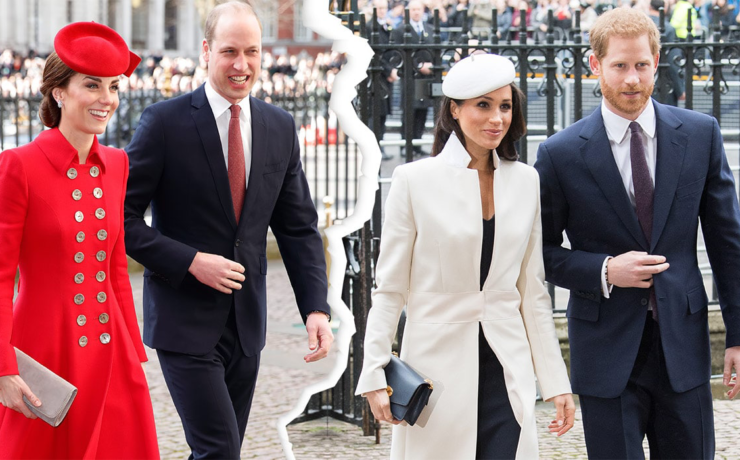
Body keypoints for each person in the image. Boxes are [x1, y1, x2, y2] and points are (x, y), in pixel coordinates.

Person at [123, 2, 333, 458]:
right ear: (206, 51)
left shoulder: (280, 126)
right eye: (230, 52)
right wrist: (190, 261)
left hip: (247, 325)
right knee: (219, 450)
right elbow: (120, 220)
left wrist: (315, 308)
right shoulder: (163, 123)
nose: (242, 65)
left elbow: (298, 229)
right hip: (183, 321)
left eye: (252, 51)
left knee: (221, 451)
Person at [534, 7, 740, 459]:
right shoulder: (559, 154)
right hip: (605, 352)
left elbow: (729, 244)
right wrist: (605, 270)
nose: (632, 79)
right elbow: (538, 253)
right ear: (595, 64)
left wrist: (738, 335)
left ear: (657, 61)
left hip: (682, 346)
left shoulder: (700, 135)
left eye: (642, 65)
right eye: (620, 66)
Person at [356, 53, 575, 459]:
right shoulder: (413, 181)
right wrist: (373, 369)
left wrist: (556, 381)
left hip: (507, 365)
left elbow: (532, 293)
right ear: (454, 110)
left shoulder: (526, 181)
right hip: (436, 370)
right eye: (483, 105)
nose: (497, 118)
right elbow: (390, 289)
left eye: (505, 106)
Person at [0, 22, 159, 459]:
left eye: (113, 86)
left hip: (111, 351)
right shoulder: (19, 165)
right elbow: (1, 277)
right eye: (92, 85)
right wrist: (3, 367)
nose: (107, 98)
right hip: (45, 351)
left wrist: (133, 354)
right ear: (59, 92)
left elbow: (115, 268)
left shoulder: (118, 163)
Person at [392, 0, 435, 157]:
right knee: (409, 111)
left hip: (427, 78)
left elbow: (435, 50)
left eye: (419, 9)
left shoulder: (430, 29)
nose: (416, 12)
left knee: (422, 111)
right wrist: (418, 65)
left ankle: (417, 144)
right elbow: (399, 55)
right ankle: (406, 145)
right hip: (410, 77)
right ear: (408, 12)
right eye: (413, 9)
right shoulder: (400, 30)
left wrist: (431, 65)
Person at [648, 0, 685, 106]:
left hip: (644, 83)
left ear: (650, 7)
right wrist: (680, 89)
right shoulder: (669, 29)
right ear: (664, 9)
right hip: (665, 86)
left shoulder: (641, 26)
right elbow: (673, 61)